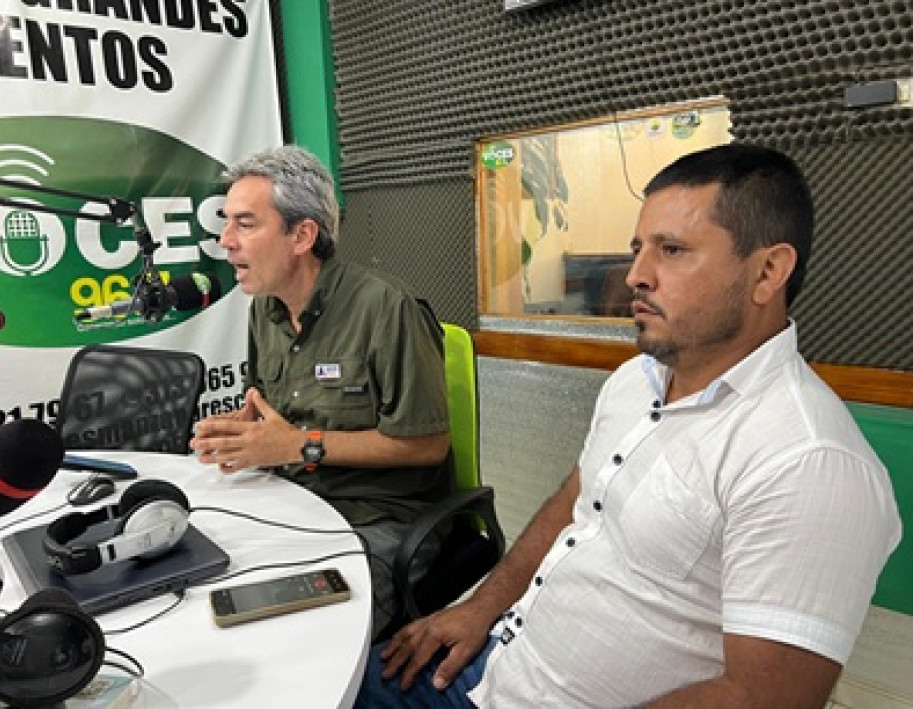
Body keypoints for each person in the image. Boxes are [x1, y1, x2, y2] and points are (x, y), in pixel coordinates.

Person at [354, 144, 902, 708]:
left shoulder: (808, 461)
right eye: (639, 249)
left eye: (672, 250)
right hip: (494, 664)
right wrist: (479, 608)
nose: (635, 275)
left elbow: (762, 698)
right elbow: (574, 501)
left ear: (768, 271)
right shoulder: (635, 380)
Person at [190, 144, 452, 639]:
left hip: (380, 519)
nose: (225, 241)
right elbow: (272, 412)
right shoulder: (264, 311)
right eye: (226, 223)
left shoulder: (385, 307)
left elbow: (427, 444)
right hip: (298, 500)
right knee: (206, 587)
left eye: (245, 224)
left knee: (301, 636)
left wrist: (297, 445)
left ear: (302, 235)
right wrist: (245, 433)